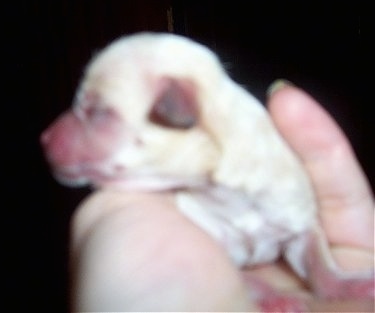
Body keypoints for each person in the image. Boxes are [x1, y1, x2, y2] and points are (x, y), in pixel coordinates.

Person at [69, 81, 374, 311]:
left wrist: (332, 281)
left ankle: (327, 279)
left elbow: (300, 230)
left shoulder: (270, 168)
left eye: (100, 114)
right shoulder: (182, 199)